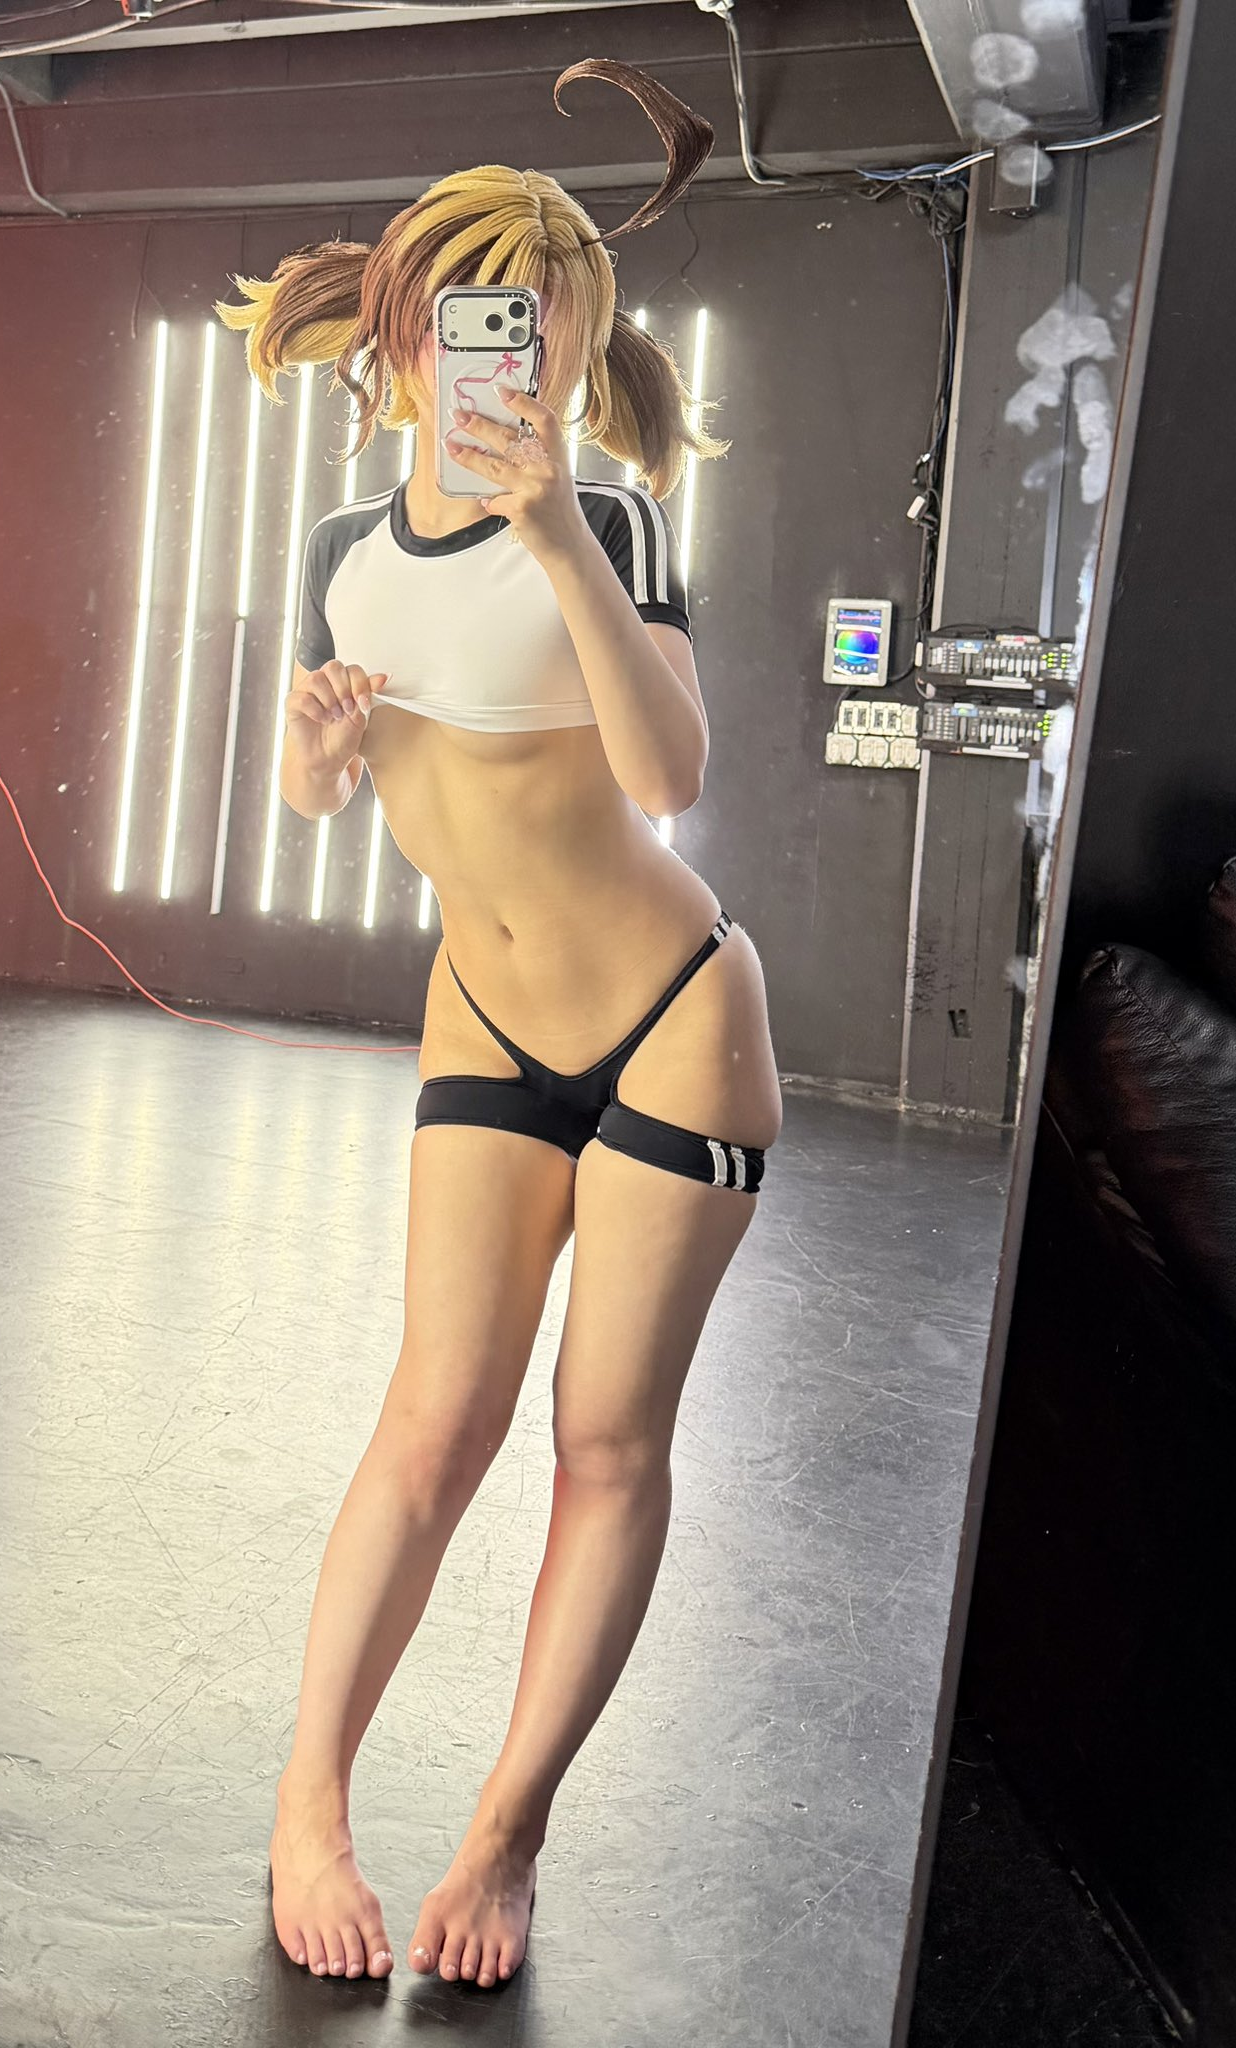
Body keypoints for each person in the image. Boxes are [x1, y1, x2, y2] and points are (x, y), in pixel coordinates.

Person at [217, 56, 783, 1994]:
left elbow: (672, 773)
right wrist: (318, 753)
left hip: (672, 1021)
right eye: (469, 316)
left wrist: (556, 536)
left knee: (603, 1444)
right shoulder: (339, 551)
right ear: (404, 330)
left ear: (568, 345)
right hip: (480, 1015)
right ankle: (307, 1804)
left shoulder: (608, 523)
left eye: (532, 324)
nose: (497, 354)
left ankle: (504, 1837)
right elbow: (319, 797)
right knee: (432, 1419)